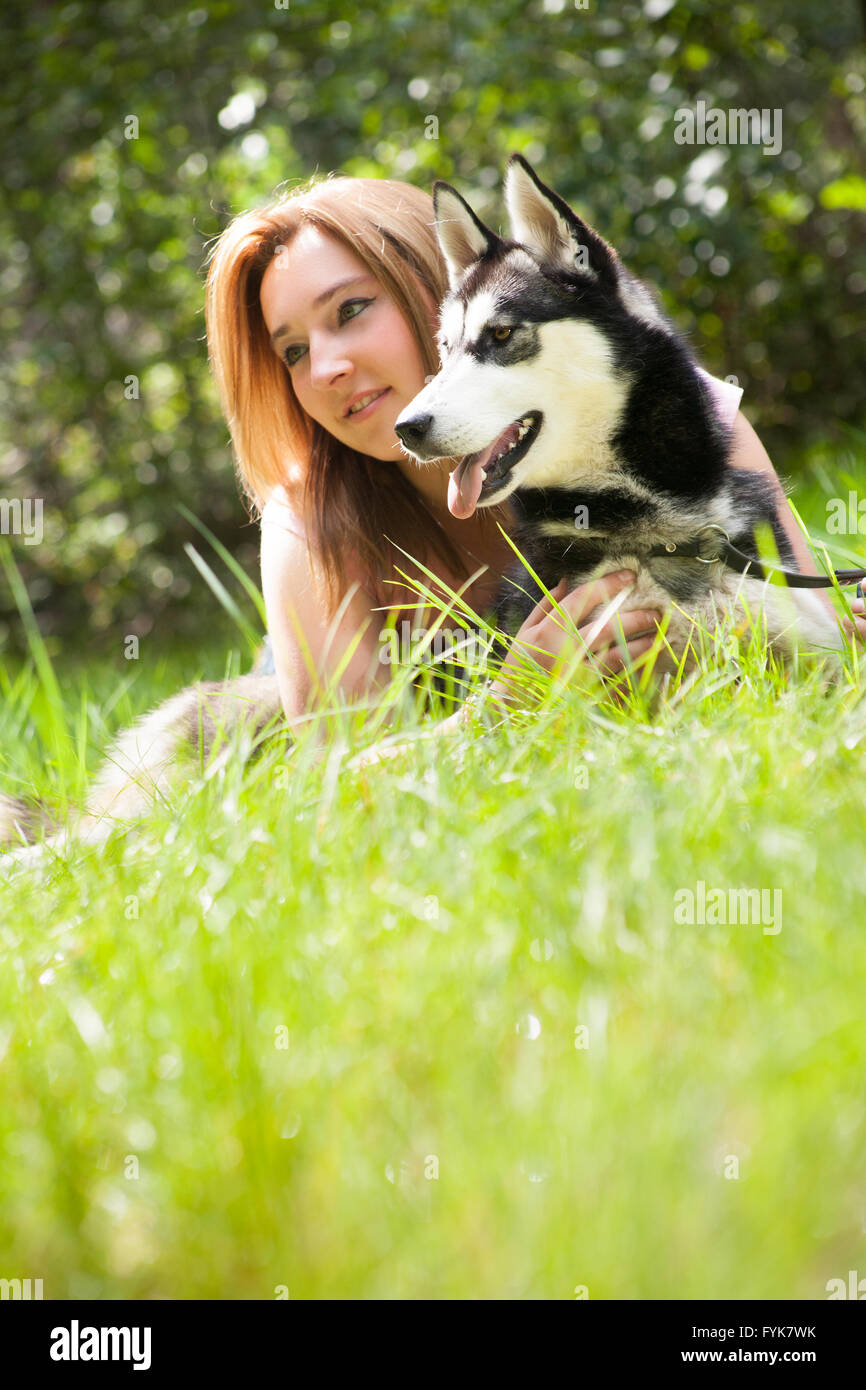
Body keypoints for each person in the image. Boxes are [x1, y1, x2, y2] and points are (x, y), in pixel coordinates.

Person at [204, 173, 865, 732]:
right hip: (297, 684)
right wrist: (515, 700)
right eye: (293, 351)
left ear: (438, 284)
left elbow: (809, 644)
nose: (324, 369)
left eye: (349, 310)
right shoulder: (310, 519)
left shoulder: (680, 416)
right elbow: (337, 787)